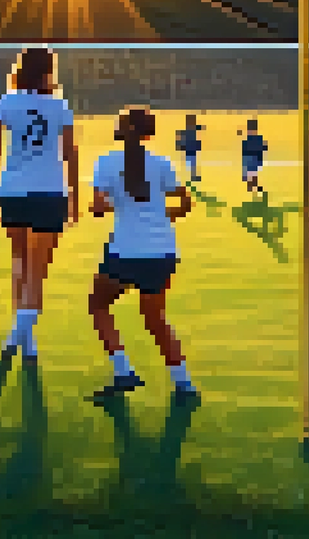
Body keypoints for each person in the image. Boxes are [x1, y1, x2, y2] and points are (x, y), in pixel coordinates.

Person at [86, 107, 198, 403]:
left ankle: (123, 370)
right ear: (149, 133)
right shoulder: (162, 164)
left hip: (126, 251)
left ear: (120, 130)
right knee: (155, 318)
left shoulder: (106, 163)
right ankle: (184, 384)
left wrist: (114, 207)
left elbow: (97, 208)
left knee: (98, 306)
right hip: (162, 251)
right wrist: (160, 217)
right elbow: (185, 203)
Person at [0, 47, 79, 365]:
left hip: (12, 191)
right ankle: (18, 334)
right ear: (49, 71)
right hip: (49, 192)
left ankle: (25, 337)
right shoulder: (59, 106)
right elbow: (70, 154)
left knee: (20, 262)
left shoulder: (4, 103)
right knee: (36, 270)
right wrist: (75, 196)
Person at [240, 118, 267, 194]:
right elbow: (246, 149)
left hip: (255, 157)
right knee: (251, 173)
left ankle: (252, 186)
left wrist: (263, 147)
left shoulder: (255, 139)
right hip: (251, 157)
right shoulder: (251, 139)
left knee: (253, 173)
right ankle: (251, 186)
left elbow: (260, 148)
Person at [175, 113, 204, 182]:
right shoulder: (188, 131)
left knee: (191, 163)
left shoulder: (190, 131)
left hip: (190, 149)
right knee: (190, 163)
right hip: (190, 149)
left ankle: (190, 176)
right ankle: (190, 176)